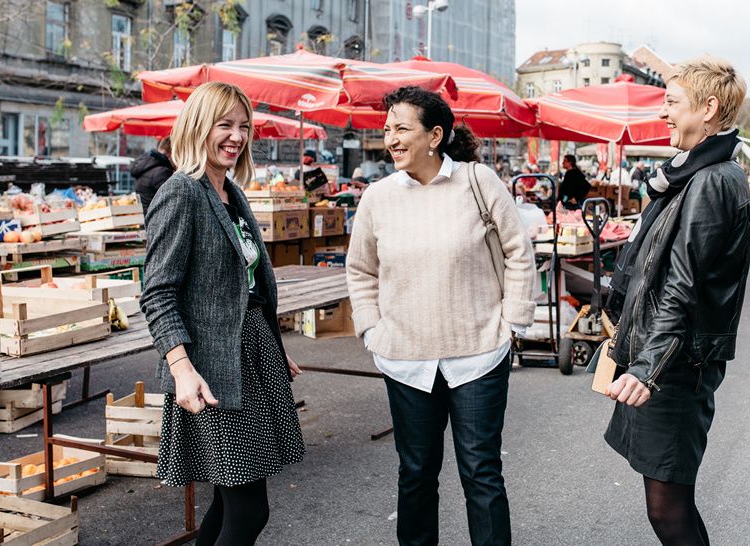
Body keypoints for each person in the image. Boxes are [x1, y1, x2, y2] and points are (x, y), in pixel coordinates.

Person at [346, 86, 537, 546]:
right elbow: (360, 268)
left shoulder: (478, 181)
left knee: (481, 471)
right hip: (405, 357)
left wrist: (512, 320)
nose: (390, 138)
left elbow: (518, 251)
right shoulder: (377, 197)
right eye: (387, 128)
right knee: (415, 473)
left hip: (478, 353)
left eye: (401, 128)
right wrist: (372, 327)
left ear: (435, 135)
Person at [140, 82, 305, 546]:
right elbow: (157, 292)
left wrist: (272, 345)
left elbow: (247, 284)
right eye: (225, 124)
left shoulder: (231, 191)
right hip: (209, 368)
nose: (237, 135)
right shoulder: (181, 193)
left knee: (228, 500)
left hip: (250, 355)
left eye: (244, 126)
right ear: (198, 126)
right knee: (249, 511)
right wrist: (181, 369)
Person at [604, 56, 750, 546]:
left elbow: (682, 286)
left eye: (672, 102)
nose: (663, 112)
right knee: (667, 501)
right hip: (667, 356)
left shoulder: (711, 182)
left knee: (668, 508)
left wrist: (648, 367)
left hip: (675, 366)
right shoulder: (691, 175)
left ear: (708, 108)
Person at [131, 136, 175, 217]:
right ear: (170, 154)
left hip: (144, 215)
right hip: (156, 218)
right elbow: (171, 202)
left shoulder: (145, 163)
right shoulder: (163, 172)